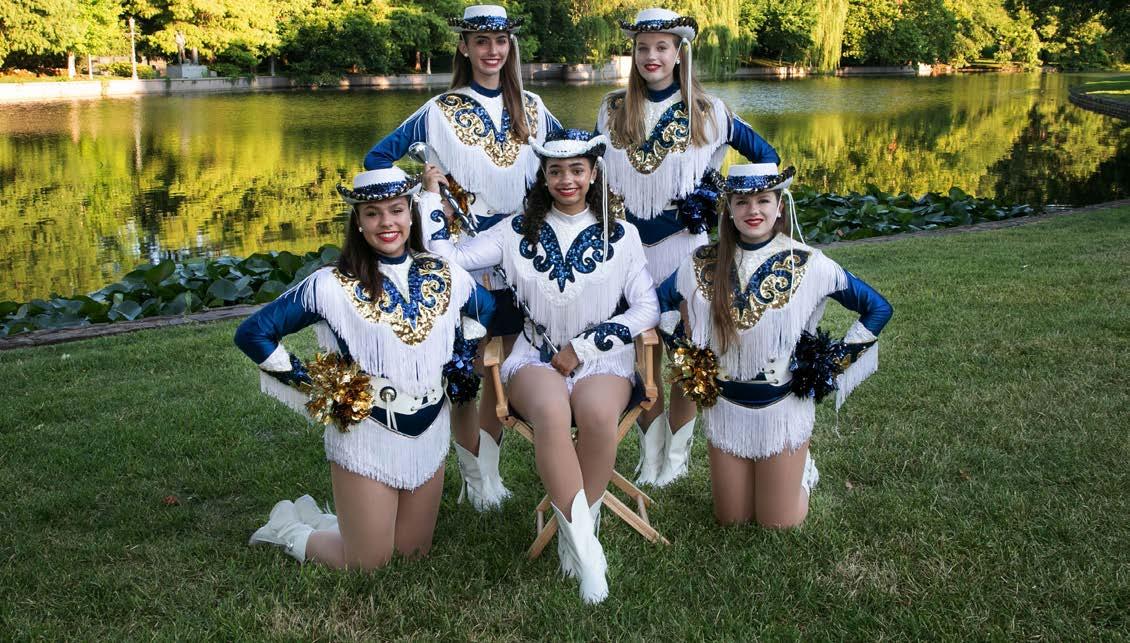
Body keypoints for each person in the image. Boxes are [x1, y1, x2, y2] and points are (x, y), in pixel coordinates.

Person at [417, 129, 659, 603]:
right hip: (534, 356)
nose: (567, 180)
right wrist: (430, 198)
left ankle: (576, 534)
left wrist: (586, 346)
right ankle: (587, 551)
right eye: (555, 171)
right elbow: (449, 259)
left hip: (601, 357)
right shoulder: (514, 231)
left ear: (593, 174)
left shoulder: (622, 235)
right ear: (544, 176)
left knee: (596, 415)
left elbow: (646, 308)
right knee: (550, 412)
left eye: (577, 170)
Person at [234, 167, 494, 569]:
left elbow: (485, 307)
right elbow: (254, 333)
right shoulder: (330, 284)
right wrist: (316, 387)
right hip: (368, 432)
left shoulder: (443, 272)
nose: (386, 222)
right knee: (367, 564)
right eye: (373, 213)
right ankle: (288, 530)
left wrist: (461, 355)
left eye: (396, 210)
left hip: (429, 430)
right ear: (358, 221)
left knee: (411, 555)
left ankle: (340, 524)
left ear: (411, 214)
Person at [363, 4, 561, 512]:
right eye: (481, 41)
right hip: (461, 259)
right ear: (464, 47)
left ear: (510, 46)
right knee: (467, 372)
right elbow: (377, 158)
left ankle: (490, 474)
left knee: (503, 366)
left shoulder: (533, 107)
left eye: (501, 41)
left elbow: (568, 156)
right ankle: (474, 479)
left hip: (521, 256)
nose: (492, 51)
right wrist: (426, 192)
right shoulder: (439, 110)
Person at [596, 7, 781, 489]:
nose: (651, 56)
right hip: (629, 253)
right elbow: (595, 173)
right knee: (642, 357)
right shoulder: (612, 110)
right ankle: (650, 455)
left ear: (679, 52)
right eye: (643, 47)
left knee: (686, 356)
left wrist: (715, 195)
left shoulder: (708, 110)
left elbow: (766, 158)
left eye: (662, 47)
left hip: (686, 250)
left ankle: (675, 461)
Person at [656, 163, 892, 527]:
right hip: (726, 410)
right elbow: (662, 301)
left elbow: (877, 308)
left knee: (777, 523)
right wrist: (686, 356)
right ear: (729, 208)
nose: (753, 210)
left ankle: (803, 473)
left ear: (780, 205)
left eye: (763, 200)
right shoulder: (701, 262)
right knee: (731, 519)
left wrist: (832, 364)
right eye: (742, 202)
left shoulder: (809, 263)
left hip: (782, 410)